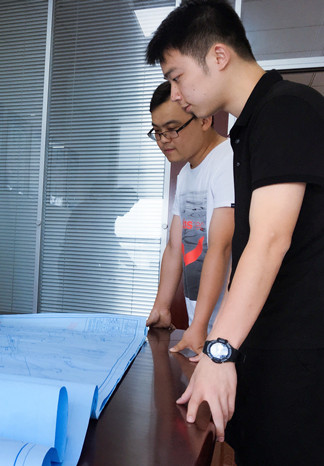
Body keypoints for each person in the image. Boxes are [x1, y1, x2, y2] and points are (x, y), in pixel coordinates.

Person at [146, 1, 324, 464]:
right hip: (267, 348)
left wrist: (218, 350)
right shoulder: (252, 126)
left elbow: (269, 241)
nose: (176, 93)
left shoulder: (286, 110)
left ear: (219, 56)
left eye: (177, 76)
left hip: (300, 356)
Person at [145, 81, 234, 356]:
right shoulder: (186, 173)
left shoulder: (229, 162)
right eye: (157, 132)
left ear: (205, 119)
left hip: (227, 329)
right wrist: (162, 306)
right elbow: (175, 247)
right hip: (203, 324)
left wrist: (200, 325)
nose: (163, 140)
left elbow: (221, 248)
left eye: (172, 129)